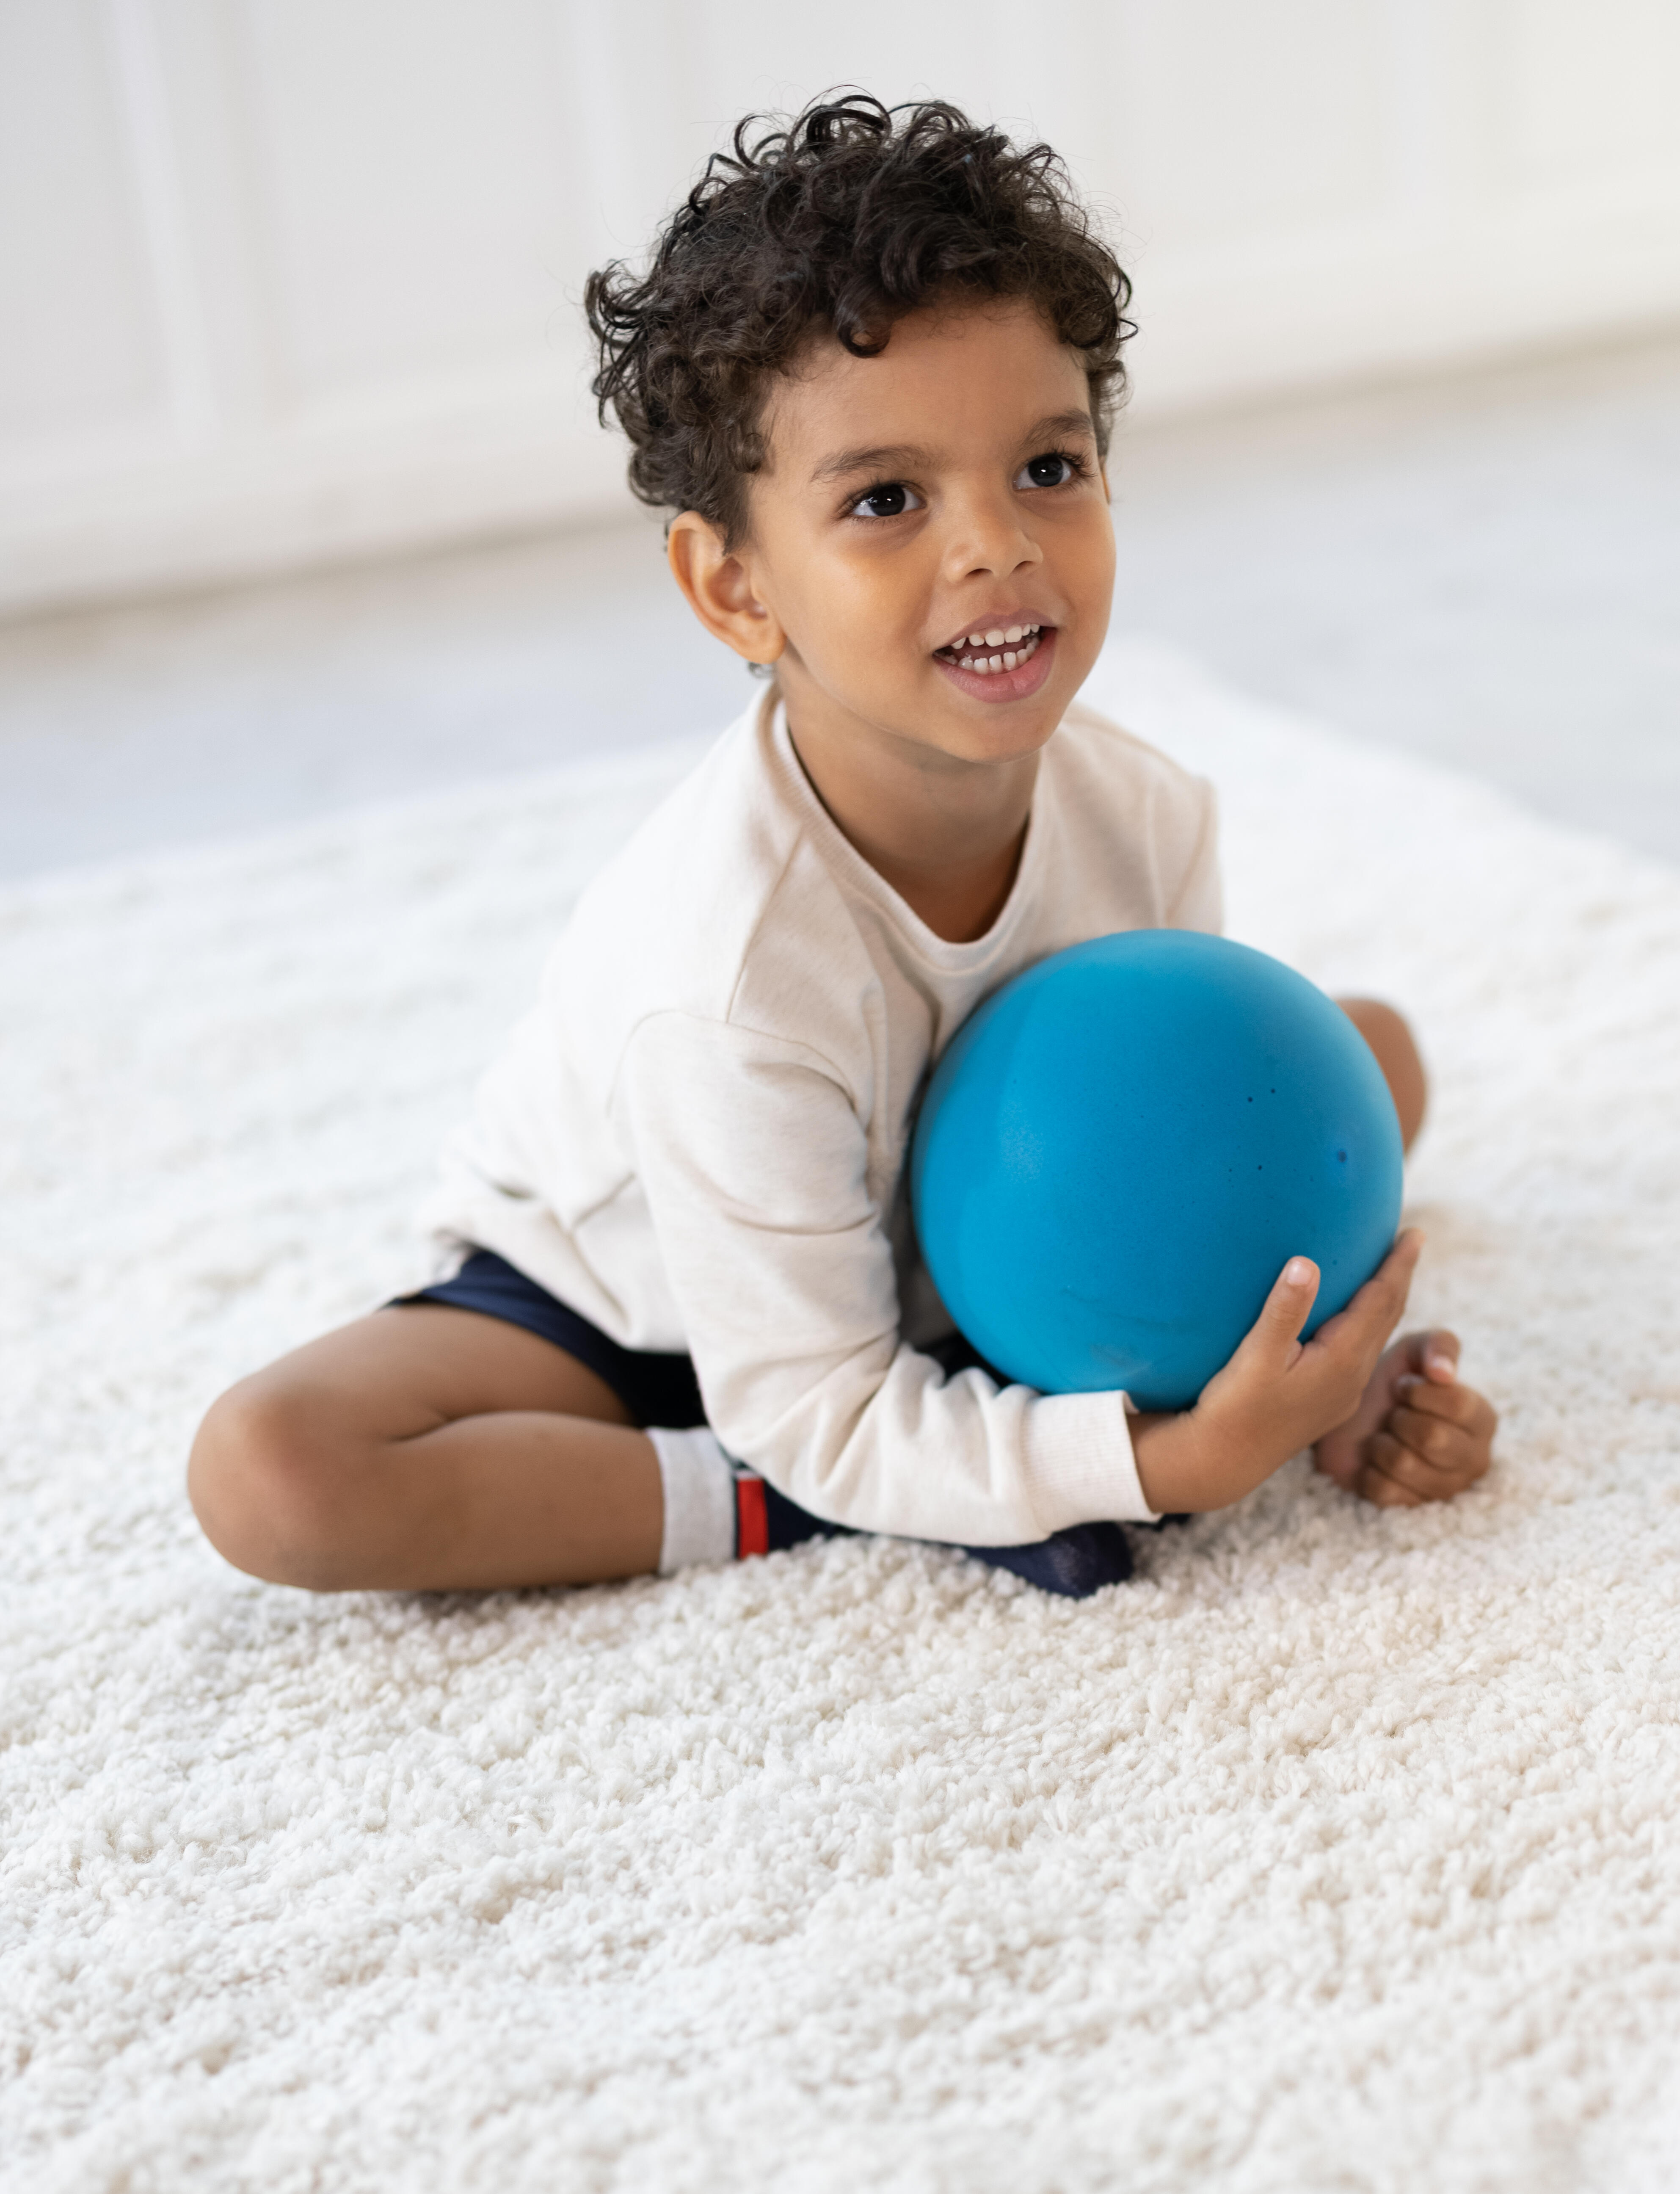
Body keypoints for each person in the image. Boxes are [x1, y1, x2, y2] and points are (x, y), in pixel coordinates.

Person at [188, 94, 1497, 1603]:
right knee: (277, 1472)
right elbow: (806, 1390)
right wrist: (1162, 1463)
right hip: (648, 1306)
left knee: (1369, 1059)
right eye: (886, 500)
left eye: (1048, 470)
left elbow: (1180, 1158)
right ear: (737, 590)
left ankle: (964, 1446)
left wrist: (1320, 1387)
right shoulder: (732, 969)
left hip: (978, 1254)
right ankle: (792, 1511)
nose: (992, 545)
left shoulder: (1145, 812)